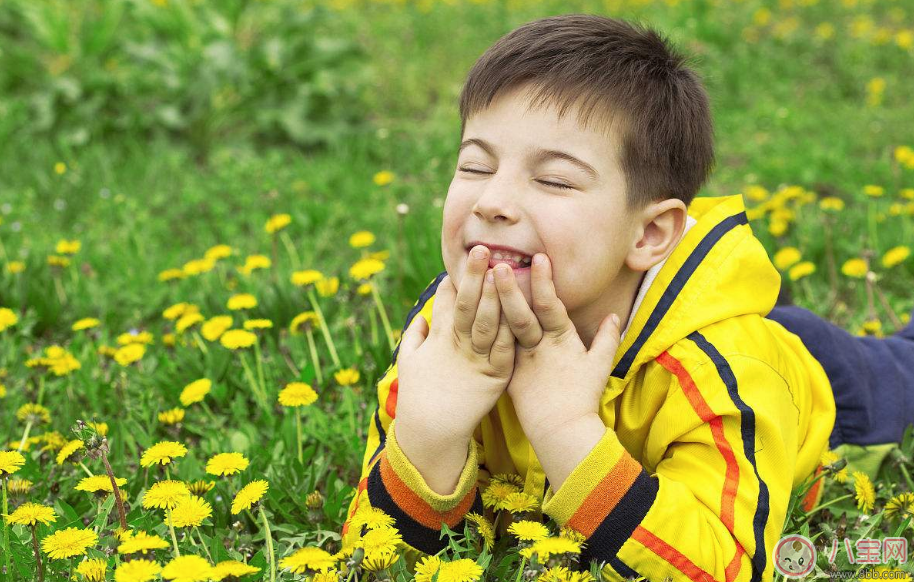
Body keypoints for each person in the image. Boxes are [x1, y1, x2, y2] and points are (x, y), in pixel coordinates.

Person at [340, 14, 914, 580]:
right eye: (475, 164)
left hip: (830, 388)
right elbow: (370, 560)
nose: (493, 200)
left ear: (648, 234)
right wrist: (427, 431)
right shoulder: (443, 334)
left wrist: (566, 427)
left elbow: (724, 568)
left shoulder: (729, 369)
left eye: (555, 179)